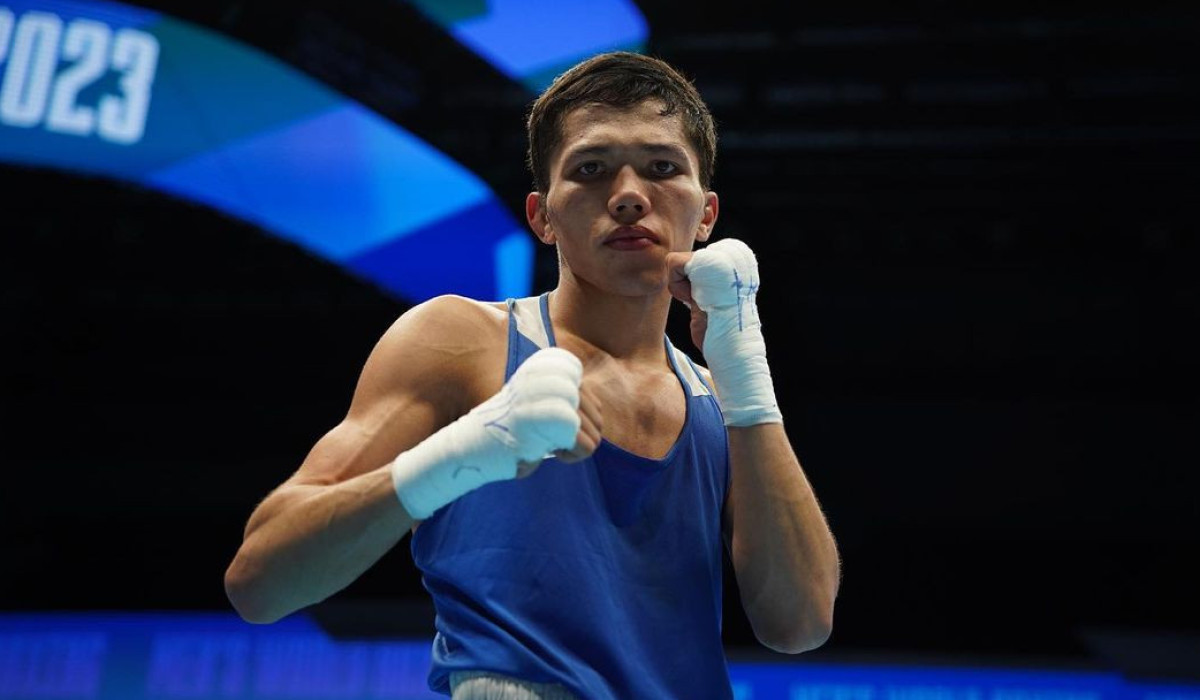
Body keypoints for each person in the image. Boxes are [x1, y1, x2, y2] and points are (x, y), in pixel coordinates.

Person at [224, 50, 841, 700]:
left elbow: (800, 624)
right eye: (590, 169)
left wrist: (746, 370)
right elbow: (260, 584)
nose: (629, 195)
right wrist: (463, 452)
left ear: (707, 214)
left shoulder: (722, 399)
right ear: (542, 215)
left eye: (662, 168)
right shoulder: (462, 344)